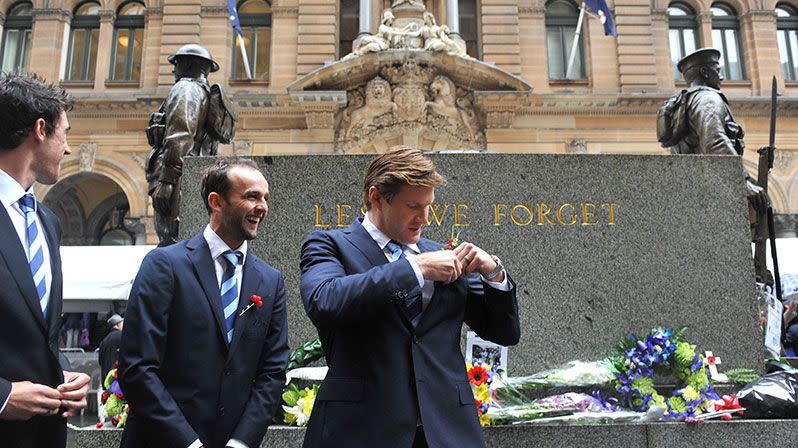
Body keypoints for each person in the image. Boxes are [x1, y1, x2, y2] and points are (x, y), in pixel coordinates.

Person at [299, 146, 520, 448]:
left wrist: (493, 272)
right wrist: (415, 267)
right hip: (359, 431)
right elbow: (325, 301)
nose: (424, 218)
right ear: (376, 197)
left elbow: (504, 332)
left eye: (428, 206)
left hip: (447, 431)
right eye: (413, 206)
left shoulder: (441, 252)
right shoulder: (329, 244)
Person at [119, 157, 289, 448]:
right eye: (251, 196)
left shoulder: (270, 281)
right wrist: (188, 443)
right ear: (217, 202)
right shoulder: (164, 266)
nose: (263, 207)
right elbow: (137, 367)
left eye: (265, 197)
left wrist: (241, 441)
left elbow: (272, 372)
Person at [0, 72, 90, 447]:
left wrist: (64, 376)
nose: (68, 148)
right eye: (64, 133)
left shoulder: (46, 221)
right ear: (41, 129)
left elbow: (34, 332)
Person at [146, 44, 231, 247]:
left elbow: (180, 134)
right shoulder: (204, 93)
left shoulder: (186, 89)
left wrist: (166, 181)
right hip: (193, 176)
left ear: (188, 64)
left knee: (171, 240)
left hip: (178, 179)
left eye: (177, 63)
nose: (173, 69)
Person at [98, 314, 124, 383]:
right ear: (117, 324)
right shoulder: (123, 337)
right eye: (122, 323)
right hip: (118, 380)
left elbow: (100, 361)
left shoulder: (104, 341)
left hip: (106, 380)